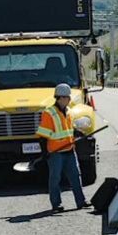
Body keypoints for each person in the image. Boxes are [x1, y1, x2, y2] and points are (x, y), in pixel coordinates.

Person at [36, 83, 92, 212]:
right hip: (56, 153)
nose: (69, 99)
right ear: (60, 98)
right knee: (55, 179)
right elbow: (42, 136)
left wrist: (80, 133)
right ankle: (56, 205)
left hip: (69, 150)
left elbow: (69, 129)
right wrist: (45, 152)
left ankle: (81, 201)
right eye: (67, 97)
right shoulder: (49, 113)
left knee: (75, 176)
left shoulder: (68, 111)